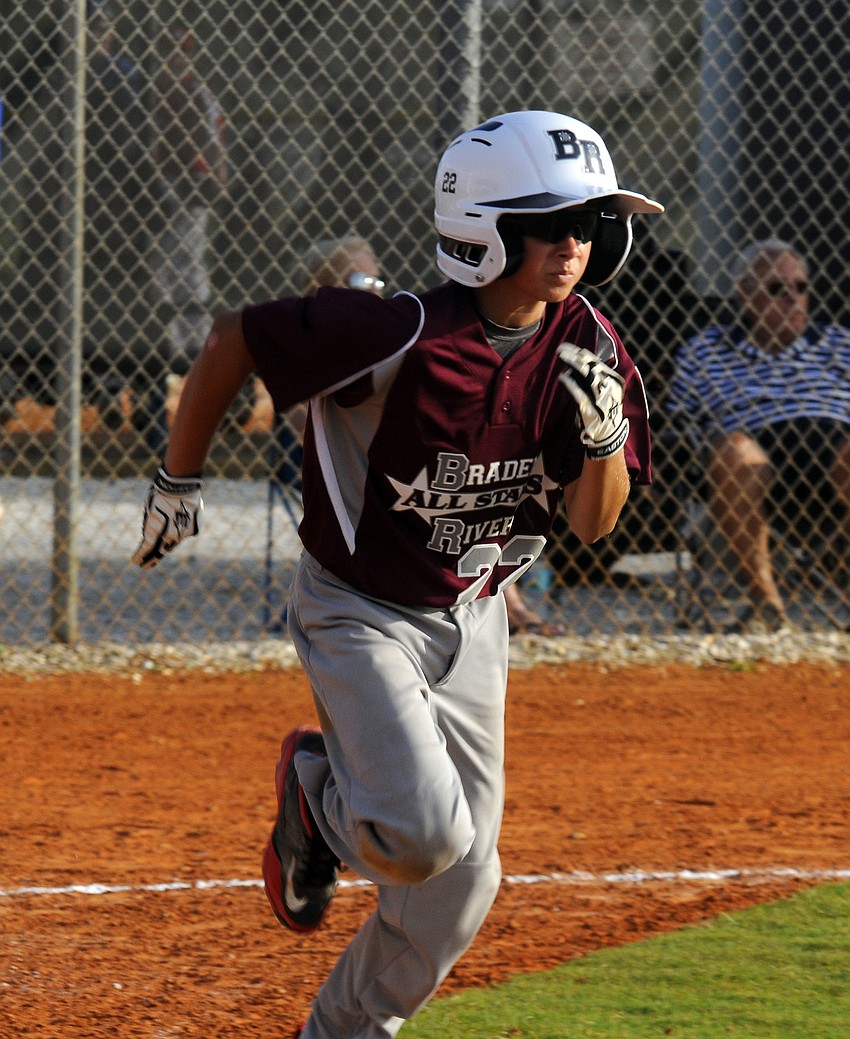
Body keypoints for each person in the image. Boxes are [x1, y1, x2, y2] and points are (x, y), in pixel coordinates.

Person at [132, 110, 661, 1038]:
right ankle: (317, 789)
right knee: (421, 835)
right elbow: (231, 340)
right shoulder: (400, 333)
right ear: (484, 230)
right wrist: (180, 480)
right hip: (359, 609)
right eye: (548, 222)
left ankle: (343, 1031)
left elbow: (592, 522)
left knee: (465, 880)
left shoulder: (591, 350)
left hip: (477, 614)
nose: (573, 243)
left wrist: (605, 437)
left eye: (590, 221)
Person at [268, 234, 557, 636]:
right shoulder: (306, 338)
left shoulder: (393, 337)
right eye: (358, 281)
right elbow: (275, 411)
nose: (374, 292)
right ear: (324, 289)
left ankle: (502, 600)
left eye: (377, 282)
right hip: (339, 474)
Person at [667, 238, 850, 628]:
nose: (792, 298)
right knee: (733, 452)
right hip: (754, 460)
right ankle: (767, 604)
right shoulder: (706, 350)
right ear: (745, 296)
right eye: (776, 289)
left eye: (800, 288)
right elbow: (678, 421)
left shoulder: (839, 344)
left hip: (834, 452)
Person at [143, 22, 228, 452]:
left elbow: (213, 146)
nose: (176, 60)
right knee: (165, 279)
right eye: (170, 52)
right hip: (156, 191)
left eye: (182, 53)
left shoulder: (194, 92)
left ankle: (189, 353)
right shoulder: (151, 90)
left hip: (185, 188)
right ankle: (171, 356)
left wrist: (214, 177)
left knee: (187, 277)